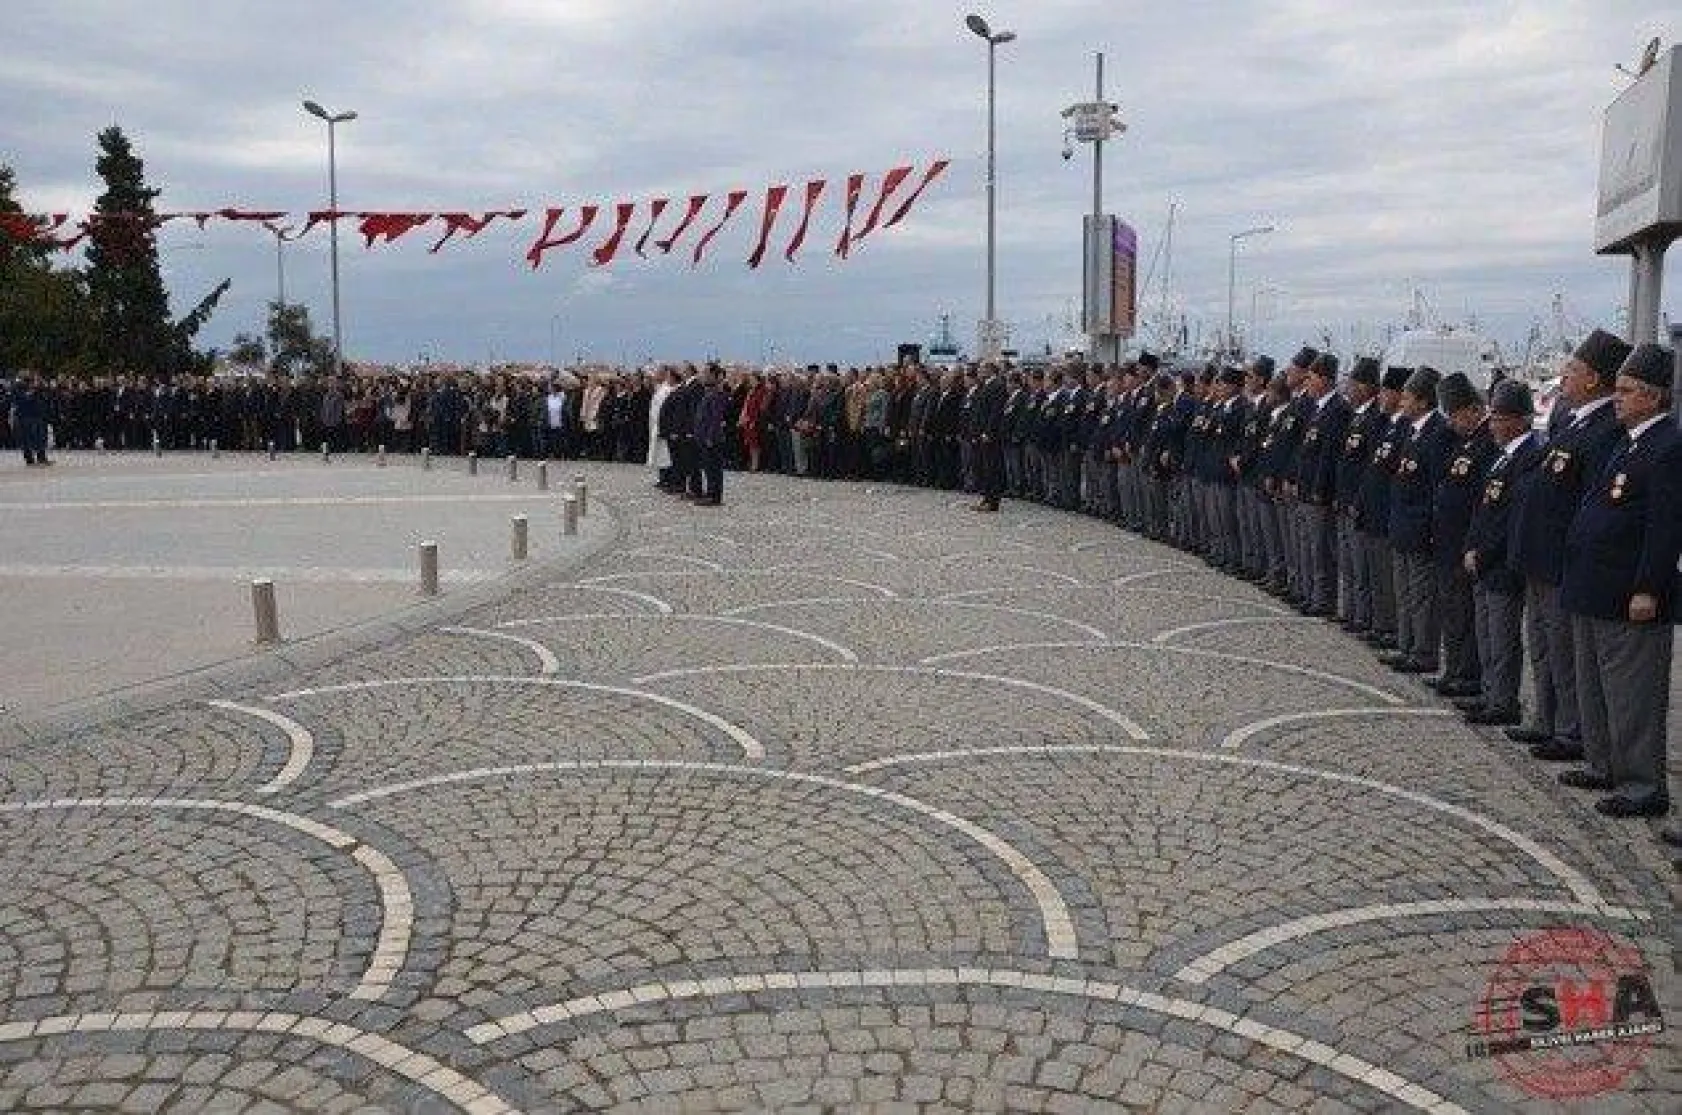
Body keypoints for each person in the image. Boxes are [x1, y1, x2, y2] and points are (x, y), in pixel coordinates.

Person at [1558, 342, 1678, 818]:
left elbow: (1664, 528)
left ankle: (1643, 785)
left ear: (1652, 396)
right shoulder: (1630, 442)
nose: (1617, 398)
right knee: (1597, 687)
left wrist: (1649, 586)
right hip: (1596, 586)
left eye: (1626, 391)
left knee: (1633, 694)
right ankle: (1603, 764)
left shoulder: (1667, 446)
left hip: (1629, 592)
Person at [1508, 329, 1630, 763]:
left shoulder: (1605, 430)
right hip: (1541, 557)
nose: (1562, 378)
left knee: (1565, 652)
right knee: (1542, 645)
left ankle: (1572, 730)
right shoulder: (1572, 420)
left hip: (1564, 560)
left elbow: (1588, 502)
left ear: (1594, 378)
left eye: (1571, 370)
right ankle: (1547, 719)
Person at [1459, 380, 1544, 727]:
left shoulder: (1528, 457)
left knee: (1503, 636)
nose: (1492, 425)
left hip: (1501, 562)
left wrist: (1484, 551)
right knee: (1487, 634)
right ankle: (1490, 693)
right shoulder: (1501, 456)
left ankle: (1504, 700)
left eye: (1499, 418)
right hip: (1482, 559)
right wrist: (1471, 546)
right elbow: (1484, 509)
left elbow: (1511, 516)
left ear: (1521, 420)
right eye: (1491, 417)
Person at [692, 363, 729, 506]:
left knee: (714, 468)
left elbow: (716, 418)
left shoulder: (717, 393)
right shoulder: (709, 392)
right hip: (704, 437)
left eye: (706, 373)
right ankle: (710, 494)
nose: (704, 375)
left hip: (712, 438)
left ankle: (714, 497)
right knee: (708, 467)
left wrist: (709, 436)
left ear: (714, 375)